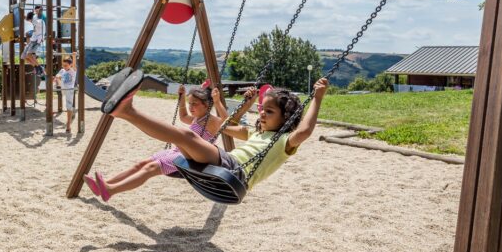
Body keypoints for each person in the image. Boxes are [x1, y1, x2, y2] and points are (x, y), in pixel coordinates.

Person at [85, 71, 329, 202]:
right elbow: (224, 125)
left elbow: (305, 131)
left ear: (286, 117)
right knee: (183, 138)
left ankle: (127, 111)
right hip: (221, 164)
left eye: (270, 111)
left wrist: (316, 98)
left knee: (185, 137)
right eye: (262, 109)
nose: (262, 114)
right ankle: (125, 113)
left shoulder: (284, 142)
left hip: (234, 172)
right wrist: (245, 103)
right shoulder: (256, 133)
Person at [85, 83, 228, 198]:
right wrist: (182, 97)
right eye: (189, 103)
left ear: (206, 105)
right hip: (177, 150)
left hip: (191, 158)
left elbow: (226, 121)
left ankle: (110, 190)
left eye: (194, 104)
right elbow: (183, 117)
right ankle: (104, 185)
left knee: (150, 168)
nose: (191, 107)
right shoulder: (197, 118)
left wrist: (217, 102)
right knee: (141, 164)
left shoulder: (212, 121)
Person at [54, 53, 78, 133]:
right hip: (63, 88)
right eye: (63, 65)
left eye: (66, 65)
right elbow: (57, 76)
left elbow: (74, 64)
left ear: (70, 65)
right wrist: (56, 79)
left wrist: (74, 56)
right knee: (56, 78)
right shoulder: (62, 70)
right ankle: (72, 111)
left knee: (68, 106)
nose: (64, 67)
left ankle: (68, 125)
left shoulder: (72, 70)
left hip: (69, 90)